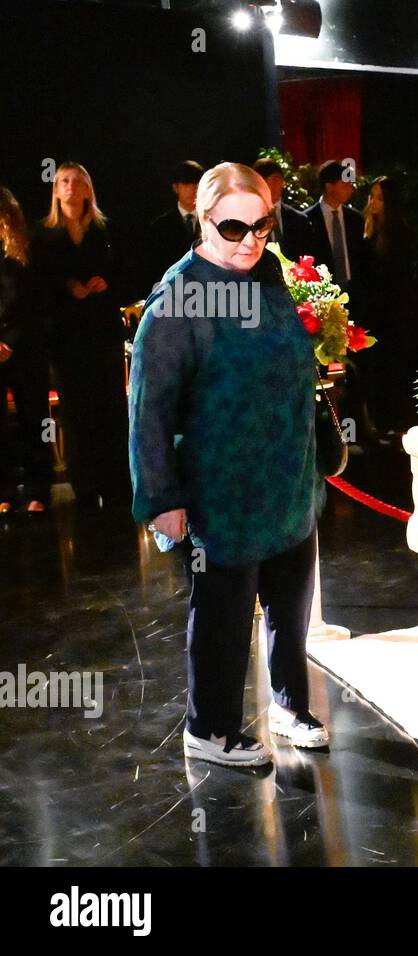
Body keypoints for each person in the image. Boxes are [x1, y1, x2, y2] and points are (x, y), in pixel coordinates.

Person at [129, 162, 329, 767]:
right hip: (221, 491)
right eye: (234, 227)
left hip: (288, 481)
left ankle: (289, 701)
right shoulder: (181, 296)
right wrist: (160, 498)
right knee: (223, 612)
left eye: (262, 226)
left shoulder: (268, 276)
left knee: (291, 602)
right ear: (202, 219)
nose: (250, 240)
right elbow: (149, 405)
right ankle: (209, 727)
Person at [30, 161, 131, 511]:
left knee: (110, 405)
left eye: (77, 181)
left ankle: (117, 481)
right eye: (64, 182)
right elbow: (36, 285)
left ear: (88, 189)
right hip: (65, 335)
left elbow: (128, 275)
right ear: (56, 190)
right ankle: (85, 485)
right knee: (76, 410)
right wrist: (66, 287)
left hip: (101, 330)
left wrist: (107, 285)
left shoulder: (107, 231)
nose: (71, 187)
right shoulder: (42, 235)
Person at [0, 186, 51, 515]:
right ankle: (4, 492)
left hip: (25, 347)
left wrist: (11, 341)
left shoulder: (28, 248)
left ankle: (38, 490)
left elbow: (37, 302)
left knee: (35, 421)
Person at [358, 174, 418, 437]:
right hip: (372, 312)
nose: (373, 202)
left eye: (380, 198)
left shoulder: (402, 234)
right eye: (371, 196)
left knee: (396, 367)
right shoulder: (365, 232)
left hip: (395, 313)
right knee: (375, 368)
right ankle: (379, 421)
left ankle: (399, 421)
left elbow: (404, 277)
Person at [142, 160, 204, 298]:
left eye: (197, 184)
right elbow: (152, 268)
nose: (193, 189)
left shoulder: (212, 221)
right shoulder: (160, 226)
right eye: (187, 184)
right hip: (172, 296)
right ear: (176, 187)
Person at [304, 159, 365, 291]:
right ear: (329, 186)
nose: (350, 189)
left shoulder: (355, 219)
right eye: (344, 185)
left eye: (351, 185)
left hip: (355, 291)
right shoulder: (307, 219)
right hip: (323, 291)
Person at [253, 157, 311, 259]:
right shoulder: (250, 219)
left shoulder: (299, 220)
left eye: (276, 179)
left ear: (283, 182)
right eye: (264, 180)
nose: (270, 185)